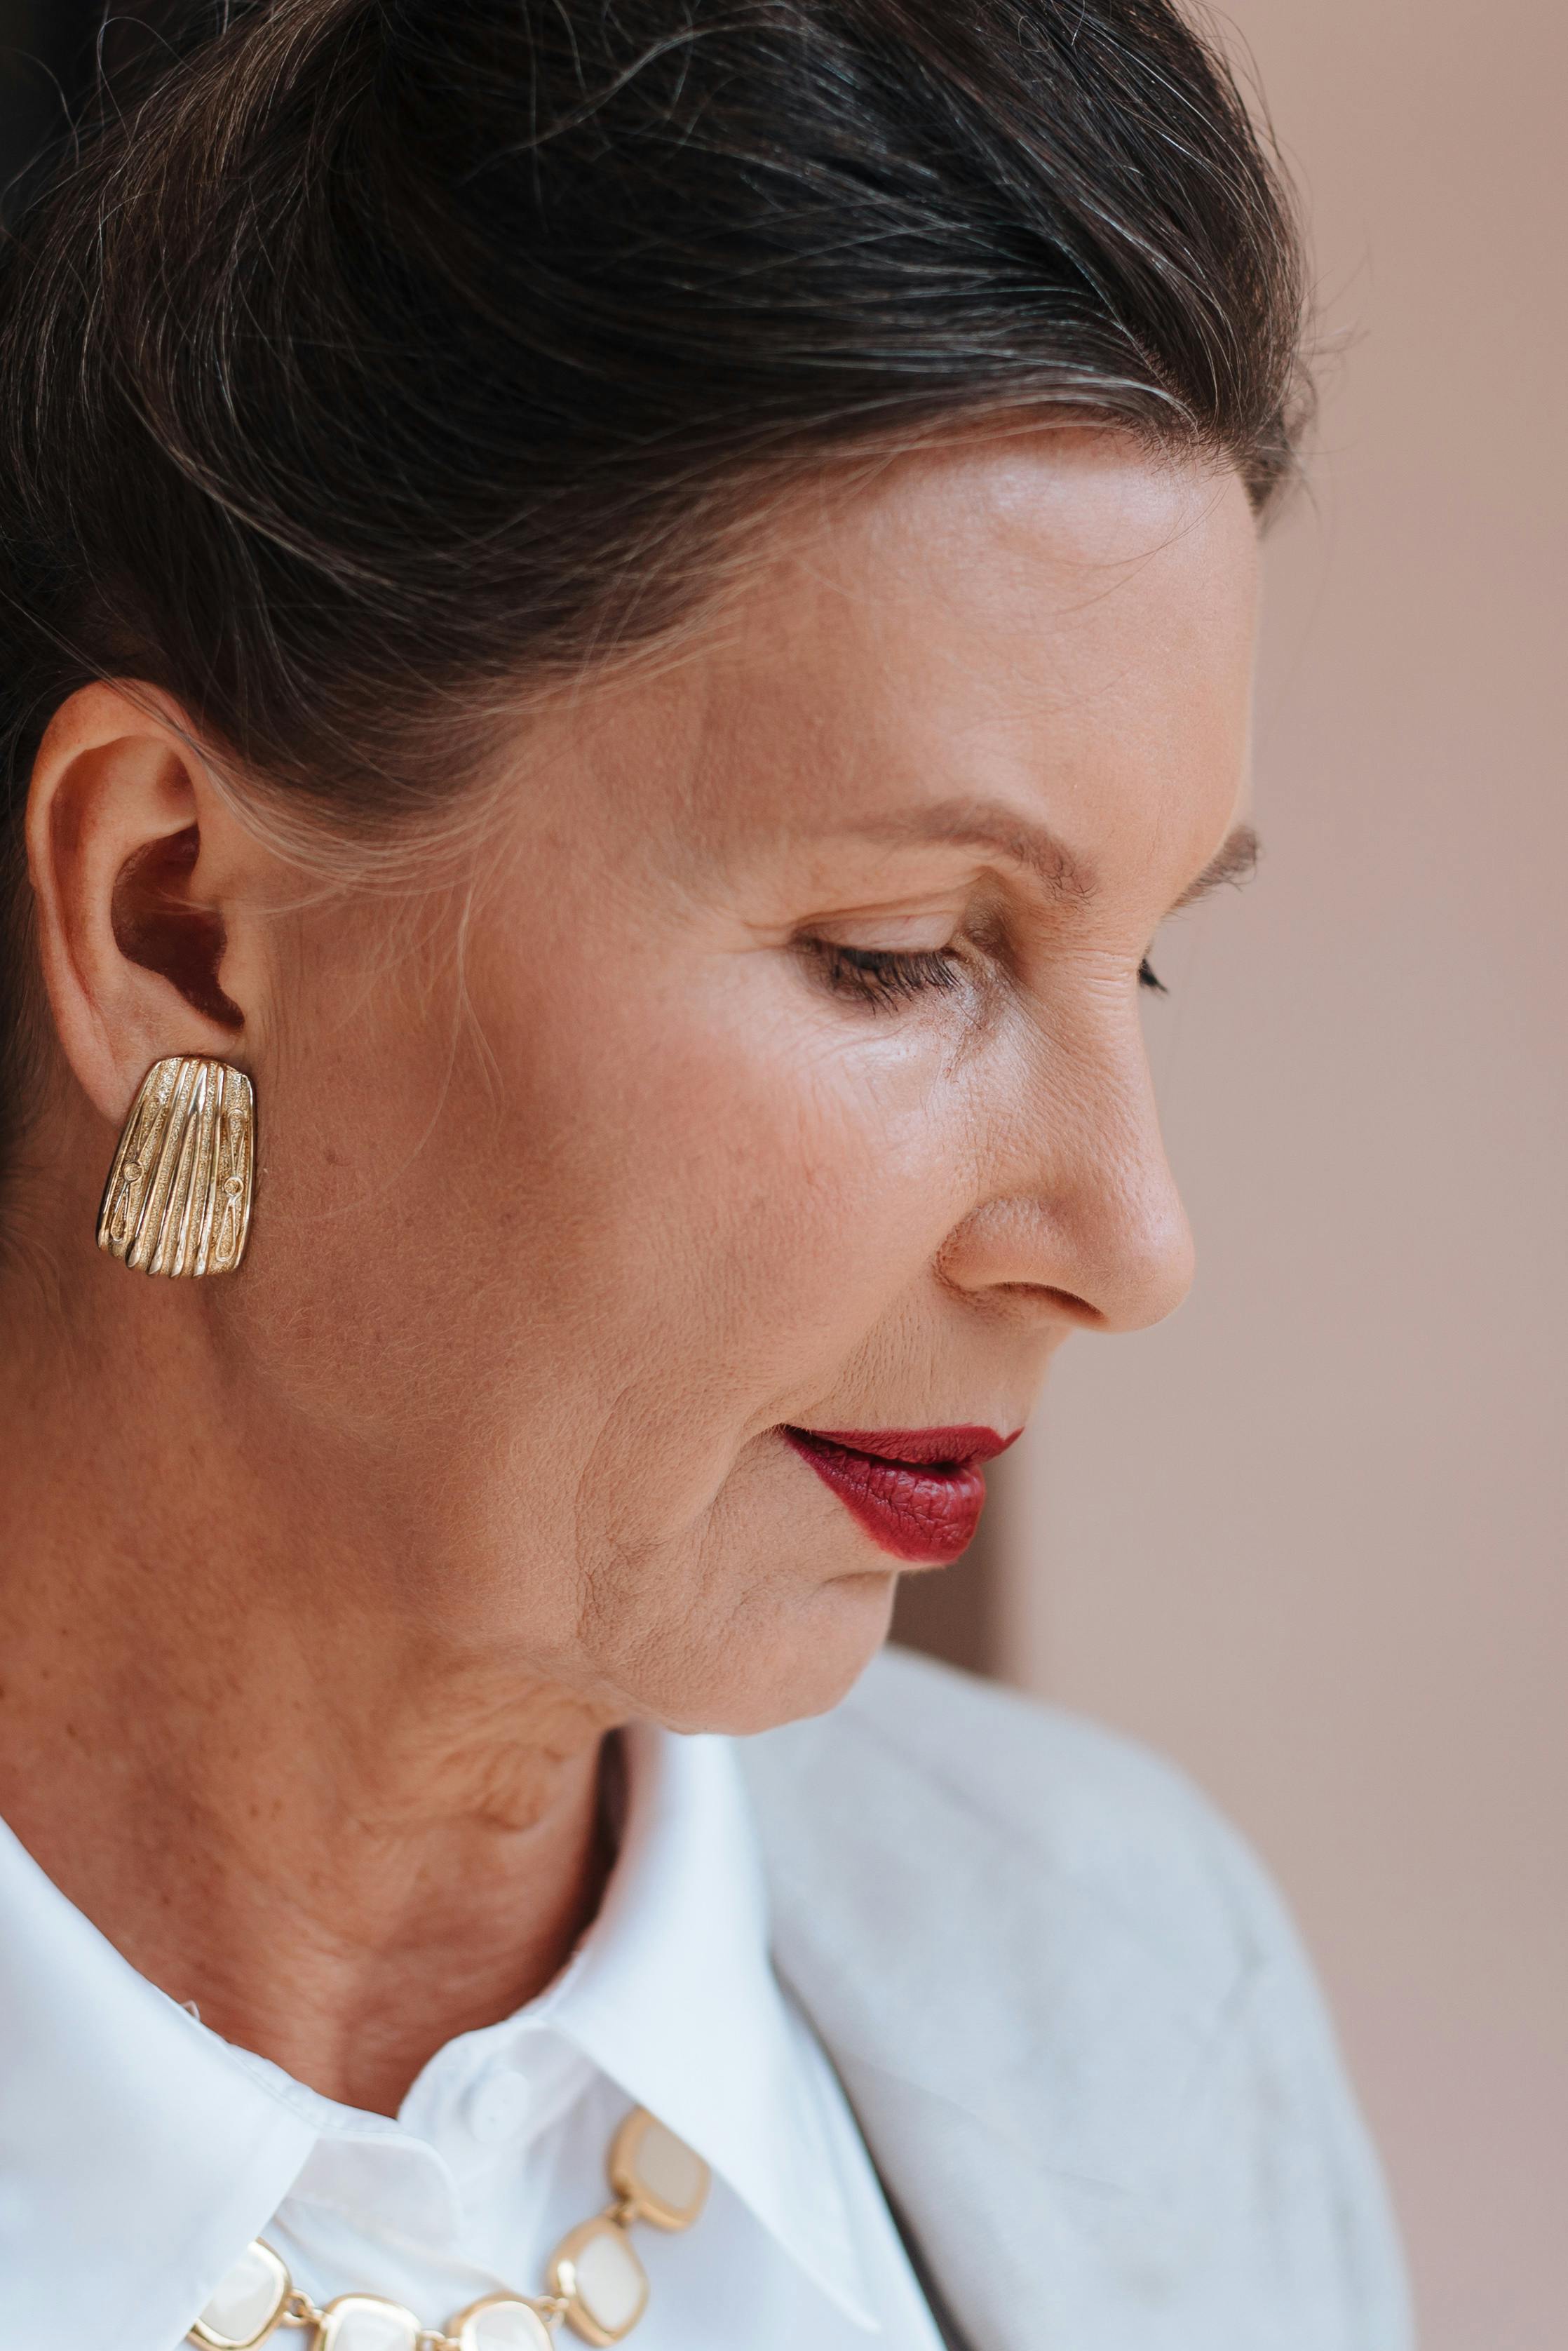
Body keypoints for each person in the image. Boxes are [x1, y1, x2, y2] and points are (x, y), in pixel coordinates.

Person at [0, 4, 1412, 2347]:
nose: (1133, 1245)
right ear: (178, 920)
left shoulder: (1144, 1989)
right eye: (898, 959)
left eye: (1136, 963)